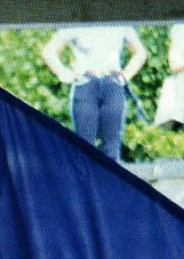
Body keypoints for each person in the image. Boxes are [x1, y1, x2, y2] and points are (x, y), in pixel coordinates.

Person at [40, 24, 147, 160]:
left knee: (112, 146)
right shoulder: (78, 22)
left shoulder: (119, 21)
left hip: (112, 84)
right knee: (84, 145)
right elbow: (49, 51)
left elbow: (140, 52)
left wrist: (125, 76)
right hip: (86, 84)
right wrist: (65, 74)